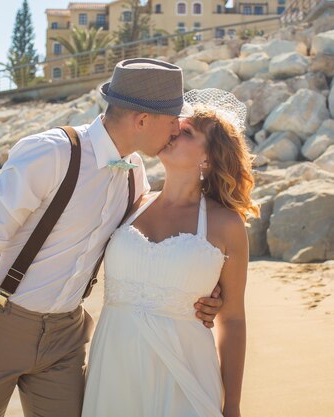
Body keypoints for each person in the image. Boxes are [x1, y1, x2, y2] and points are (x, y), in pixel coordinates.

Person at [0, 58, 224, 417]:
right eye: (173, 119)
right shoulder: (49, 153)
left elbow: (148, 243)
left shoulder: (135, 173)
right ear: (142, 120)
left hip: (67, 338)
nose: (178, 128)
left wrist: (201, 289)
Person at [81, 88, 259, 417]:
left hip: (185, 371)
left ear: (208, 158)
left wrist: (232, 405)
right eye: (177, 125)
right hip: (114, 368)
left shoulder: (225, 224)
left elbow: (232, 319)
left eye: (187, 132)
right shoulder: (131, 199)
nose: (174, 131)